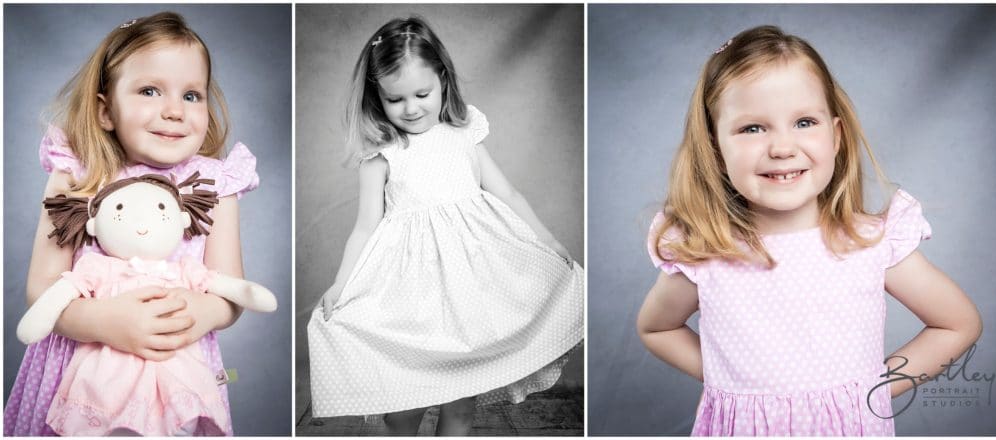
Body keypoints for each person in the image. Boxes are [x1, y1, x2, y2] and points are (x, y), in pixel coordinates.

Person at [637, 25, 982, 436]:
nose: (782, 147)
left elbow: (958, 323)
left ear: (835, 137)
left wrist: (872, 390)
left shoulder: (869, 242)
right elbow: (656, 327)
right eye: (752, 128)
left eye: (803, 122)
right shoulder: (707, 251)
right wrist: (730, 383)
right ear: (715, 148)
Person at [307, 16, 584, 436]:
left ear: (443, 80)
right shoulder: (383, 154)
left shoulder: (463, 134)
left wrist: (549, 241)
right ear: (376, 96)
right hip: (409, 292)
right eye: (395, 99)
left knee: (461, 403)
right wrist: (341, 285)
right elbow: (365, 227)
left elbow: (507, 194)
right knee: (404, 407)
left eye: (422, 93)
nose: (412, 108)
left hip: (469, 289)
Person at [4, 11, 259, 436]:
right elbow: (42, 288)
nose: (175, 110)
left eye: (192, 95)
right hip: (80, 370)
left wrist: (201, 310)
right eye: (150, 90)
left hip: (176, 367)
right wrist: (105, 322)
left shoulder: (215, 184)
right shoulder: (77, 174)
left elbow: (230, 290)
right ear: (105, 110)